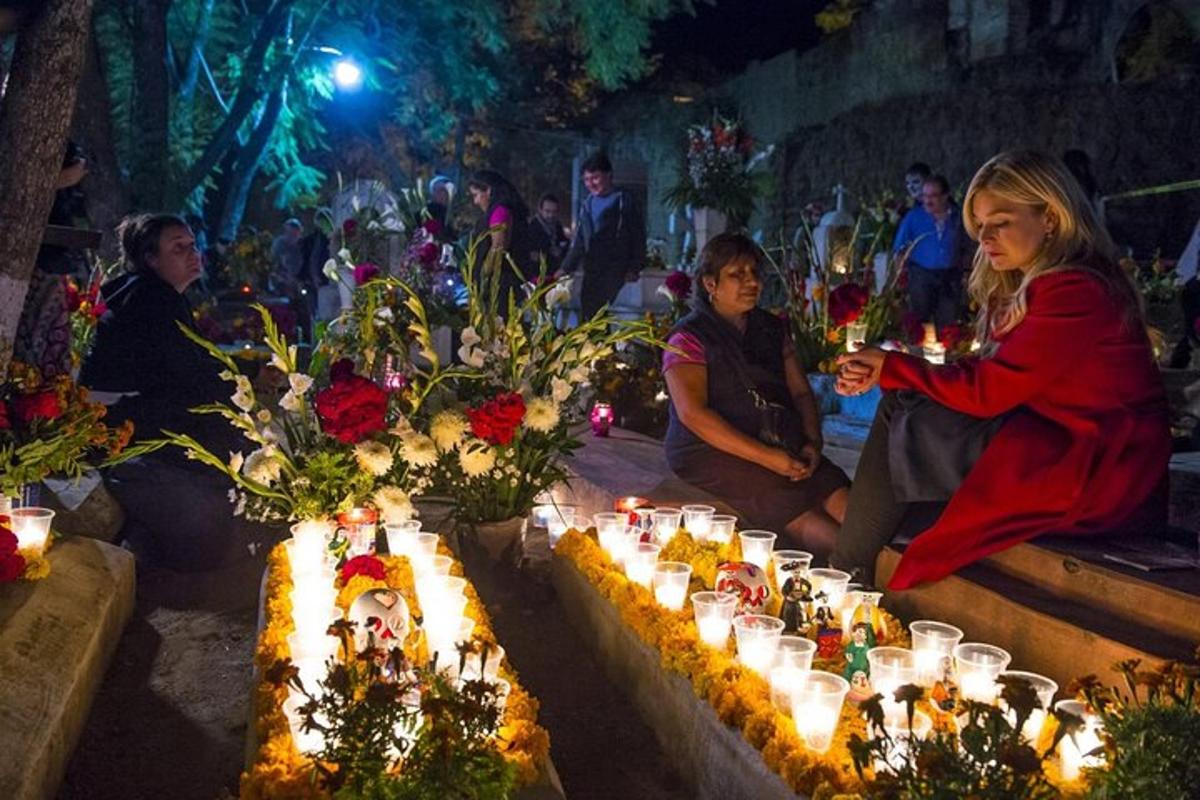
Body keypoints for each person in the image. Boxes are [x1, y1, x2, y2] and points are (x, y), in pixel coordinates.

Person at [833, 151, 1171, 590]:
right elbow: (1000, 372)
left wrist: (895, 367)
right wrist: (893, 367)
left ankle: (843, 576)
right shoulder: (1051, 282)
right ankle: (853, 575)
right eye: (979, 226)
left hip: (1098, 466)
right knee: (912, 419)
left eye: (1001, 222)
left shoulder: (1077, 290)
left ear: (1050, 217)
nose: (986, 238)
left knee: (904, 412)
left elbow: (990, 391)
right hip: (1062, 441)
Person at [81, 213, 278, 570]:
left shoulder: (151, 294)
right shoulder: (152, 300)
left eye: (192, 245)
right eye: (178, 248)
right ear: (150, 259)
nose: (193, 253)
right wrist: (246, 383)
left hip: (134, 421)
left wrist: (245, 376)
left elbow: (189, 363)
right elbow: (188, 375)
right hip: (127, 432)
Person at [662, 233, 850, 558]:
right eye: (737, 275)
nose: (752, 282)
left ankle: (884, 558)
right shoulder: (688, 337)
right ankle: (855, 565)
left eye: (754, 273)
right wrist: (768, 458)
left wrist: (812, 443)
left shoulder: (771, 329)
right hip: (714, 451)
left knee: (834, 490)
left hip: (782, 443)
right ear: (711, 284)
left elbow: (801, 393)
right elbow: (693, 414)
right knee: (783, 497)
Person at [562, 152, 646, 319]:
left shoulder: (624, 201)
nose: (590, 184)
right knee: (589, 317)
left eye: (595, 178)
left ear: (608, 175)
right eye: (586, 180)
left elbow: (638, 236)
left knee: (610, 317)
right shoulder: (587, 205)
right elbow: (579, 241)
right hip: (592, 271)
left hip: (616, 271)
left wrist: (634, 267)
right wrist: (565, 268)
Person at [893, 174, 971, 334]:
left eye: (934, 196)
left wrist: (967, 273)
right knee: (919, 322)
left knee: (948, 322)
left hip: (950, 277)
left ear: (945, 196)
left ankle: (945, 354)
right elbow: (899, 248)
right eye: (925, 196)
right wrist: (899, 276)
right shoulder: (914, 217)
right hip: (921, 276)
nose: (928, 200)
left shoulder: (958, 217)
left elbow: (967, 245)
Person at [467, 169, 532, 311]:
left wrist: (484, 275)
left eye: (476, 195)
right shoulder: (499, 211)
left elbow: (498, 247)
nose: (476, 201)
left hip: (500, 286)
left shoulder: (499, 212)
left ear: (488, 191)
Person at [527, 192, 570, 273]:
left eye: (554, 212)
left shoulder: (557, 226)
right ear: (540, 210)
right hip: (537, 273)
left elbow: (564, 244)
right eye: (547, 211)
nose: (551, 215)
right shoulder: (531, 228)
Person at [269, 218, 304, 293]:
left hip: (298, 278)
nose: (292, 233)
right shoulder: (279, 243)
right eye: (290, 230)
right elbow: (274, 258)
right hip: (281, 276)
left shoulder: (302, 244)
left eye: (295, 230)